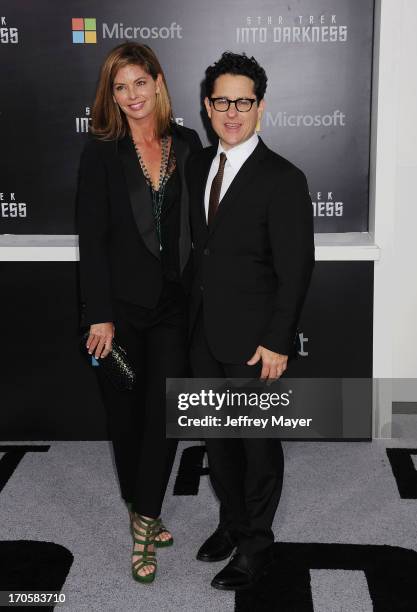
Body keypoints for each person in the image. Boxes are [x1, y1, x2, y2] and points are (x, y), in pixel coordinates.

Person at [187, 51, 315, 590]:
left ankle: (257, 543)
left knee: (257, 445)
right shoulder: (198, 166)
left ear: (260, 107)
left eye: (243, 102)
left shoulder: (283, 178)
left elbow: (296, 268)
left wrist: (277, 340)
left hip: (254, 340)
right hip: (200, 334)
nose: (232, 112)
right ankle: (232, 522)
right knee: (216, 442)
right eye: (222, 101)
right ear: (207, 106)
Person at [76, 42, 201, 584]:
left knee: (166, 414)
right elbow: (93, 239)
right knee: (126, 421)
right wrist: (98, 315)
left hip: (175, 305)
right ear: (112, 94)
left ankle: (145, 521)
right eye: (119, 87)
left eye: (139, 83)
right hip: (121, 311)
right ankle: (140, 502)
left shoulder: (189, 143)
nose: (131, 96)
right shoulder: (102, 151)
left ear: (157, 81)